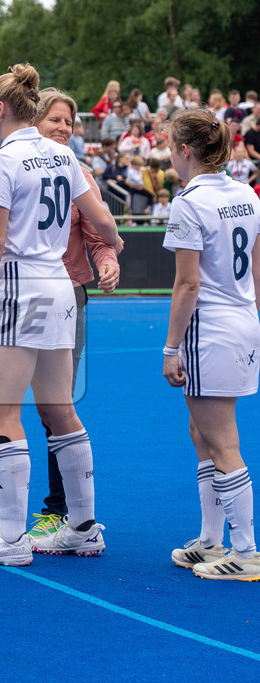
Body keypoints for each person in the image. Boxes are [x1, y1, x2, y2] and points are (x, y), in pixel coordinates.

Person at [0, 65, 120, 566]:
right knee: (59, 409)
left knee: (1, 410)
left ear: (2, 108)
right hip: (60, 287)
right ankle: (83, 527)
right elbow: (104, 220)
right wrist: (113, 244)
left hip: (21, 287)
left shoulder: (3, 160)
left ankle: (9, 539)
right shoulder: (63, 155)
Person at [161, 111, 260, 580]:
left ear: (185, 150)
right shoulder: (246, 194)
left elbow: (187, 284)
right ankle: (210, 540)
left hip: (211, 328)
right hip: (242, 321)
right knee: (201, 432)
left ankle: (246, 551)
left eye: (170, 147)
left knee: (221, 441)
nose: (169, 155)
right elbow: (256, 269)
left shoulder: (189, 202)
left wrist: (170, 348)